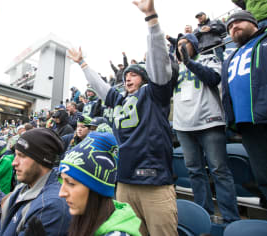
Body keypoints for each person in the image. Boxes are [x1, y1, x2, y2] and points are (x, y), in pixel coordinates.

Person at [67, 0, 177, 234]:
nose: (128, 78)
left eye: (134, 75)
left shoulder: (155, 93)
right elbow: (99, 86)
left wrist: (151, 19)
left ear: (145, 78)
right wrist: (82, 63)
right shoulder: (119, 100)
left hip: (154, 181)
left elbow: (159, 63)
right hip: (124, 182)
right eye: (125, 76)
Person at [222, 10, 267, 225]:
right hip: (249, 127)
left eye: (238, 21)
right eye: (229, 26)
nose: (233, 27)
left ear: (253, 22)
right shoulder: (230, 57)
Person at [174, 33, 240, 223]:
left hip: (208, 120)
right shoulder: (175, 67)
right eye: (178, 45)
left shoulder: (208, 58)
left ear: (194, 44)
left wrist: (189, 63)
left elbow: (213, 78)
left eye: (184, 43)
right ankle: (205, 215)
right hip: (183, 124)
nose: (181, 47)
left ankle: (230, 219)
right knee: (194, 171)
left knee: (219, 170)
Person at [0, 128, 71, 235]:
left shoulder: (51, 207)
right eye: (16, 155)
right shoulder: (22, 188)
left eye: (22, 156)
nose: (14, 163)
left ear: (42, 159)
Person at [59, 132, 142, 236]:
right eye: (62, 181)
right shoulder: (85, 217)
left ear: (97, 188)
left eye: (71, 183)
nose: (61, 193)